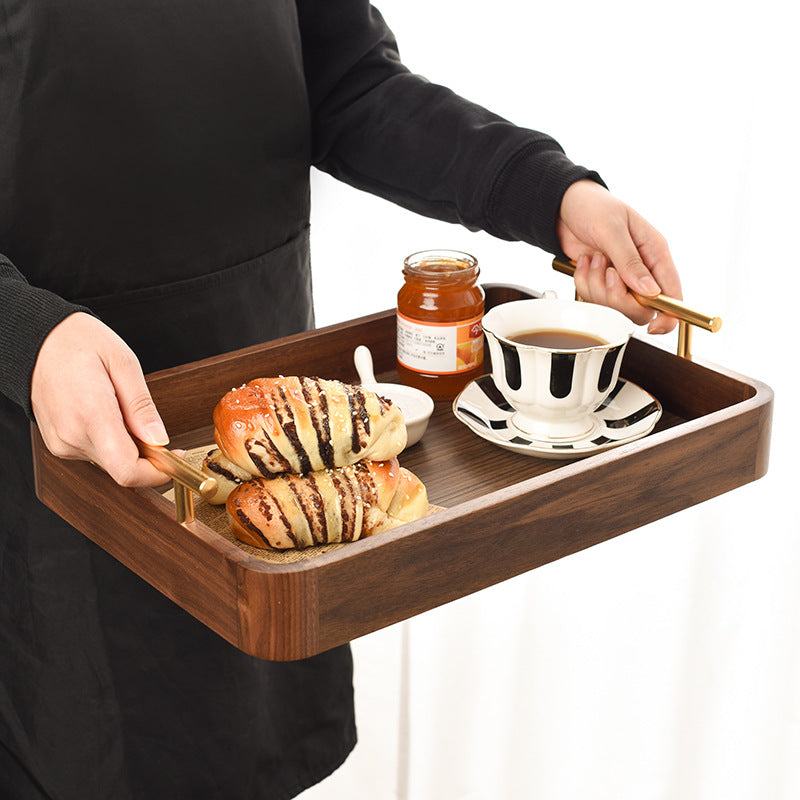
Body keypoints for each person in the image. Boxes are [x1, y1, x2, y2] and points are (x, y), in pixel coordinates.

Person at [0, 1, 681, 797]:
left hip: (271, 425)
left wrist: (549, 194)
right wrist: (23, 334)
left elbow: (347, 83)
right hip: (46, 434)